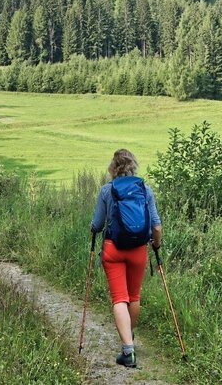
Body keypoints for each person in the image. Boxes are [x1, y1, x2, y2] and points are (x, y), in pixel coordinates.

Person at [90, 148, 162, 368]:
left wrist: (93, 228)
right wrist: (156, 245)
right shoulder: (145, 189)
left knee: (119, 298)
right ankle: (128, 337)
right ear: (133, 165)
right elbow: (156, 226)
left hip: (113, 249)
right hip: (138, 250)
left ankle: (128, 351)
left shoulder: (107, 190)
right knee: (134, 296)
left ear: (113, 167)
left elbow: (97, 224)